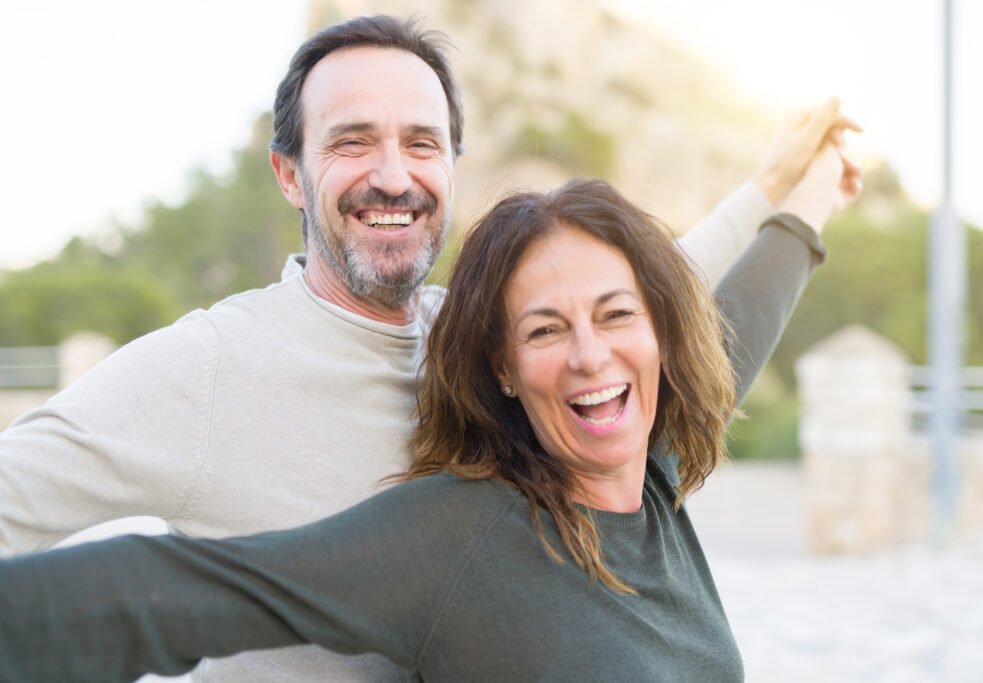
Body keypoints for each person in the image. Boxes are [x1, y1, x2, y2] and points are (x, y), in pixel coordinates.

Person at [0, 15, 859, 682]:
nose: (393, 174)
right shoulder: (207, 367)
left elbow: (655, 308)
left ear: (453, 163)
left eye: (421, 142)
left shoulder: (475, 335)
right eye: (350, 141)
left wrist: (782, 189)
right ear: (290, 173)